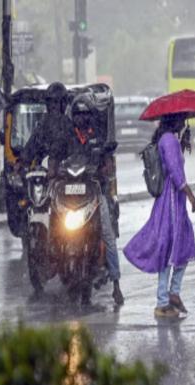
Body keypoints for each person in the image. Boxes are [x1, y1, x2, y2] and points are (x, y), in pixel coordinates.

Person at [124, 113, 195, 319]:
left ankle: (171, 295)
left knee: (182, 245)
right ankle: (163, 301)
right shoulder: (169, 140)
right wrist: (190, 195)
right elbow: (175, 173)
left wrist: (182, 144)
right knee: (169, 247)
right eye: (181, 120)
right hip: (172, 201)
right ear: (174, 120)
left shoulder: (169, 139)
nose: (184, 122)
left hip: (173, 201)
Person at [70, 97, 124, 305]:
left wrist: (103, 169)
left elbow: (109, 165)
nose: (81, 119)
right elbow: (56, 158)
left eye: (85, 115)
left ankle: (117, 285)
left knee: (108, 236)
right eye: (78, 115)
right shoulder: (66, 137)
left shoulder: (99, 139)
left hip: (94, 193)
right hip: (71, 196)